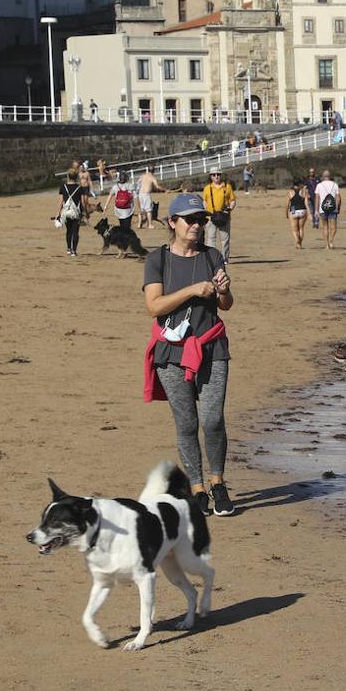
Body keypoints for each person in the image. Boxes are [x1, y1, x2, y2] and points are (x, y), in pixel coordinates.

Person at [143, 193, 236, 517]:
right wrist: (192, 290)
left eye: (201, 220)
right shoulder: (158, 260)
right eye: (190, 219)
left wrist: (223, 290)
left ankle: (218, 483)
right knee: (186, 423)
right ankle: (197, 489)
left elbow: (226, 305)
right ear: (172, 223)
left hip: (212, 348)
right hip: (171, 353)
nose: (196, 225)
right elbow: (154, 306)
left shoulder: (212, 256)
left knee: (212, 420)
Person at [202, 171, 236, 262]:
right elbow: (204, 201)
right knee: (211, 239)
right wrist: (205, 210)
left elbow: (232, 200)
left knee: (225, 239)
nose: (216, 176)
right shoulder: (207, 188)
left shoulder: (227, 187)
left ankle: (225, 258)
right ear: (211, 176)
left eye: (218, 174)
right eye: (214, 175)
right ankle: (211, 258)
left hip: (224, 217)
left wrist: (230, 208)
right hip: (210, 217)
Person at [57, 168, 91, 256]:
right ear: (76, 177)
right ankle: (74, 251)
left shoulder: (63, 187)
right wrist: (85, 212)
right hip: (76, 212)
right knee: (75, 232)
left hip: (66, 212)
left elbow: (60, 202)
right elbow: (83, 202)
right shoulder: (80, 188)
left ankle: (68, 248)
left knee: (69, 231)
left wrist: (58, 213)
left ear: (68, 176)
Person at [314, 170, 341, 250]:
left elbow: (317, 198)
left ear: (323, 176)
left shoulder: (319, 185)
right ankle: (331, 241)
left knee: (325, 227)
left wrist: (316, 210)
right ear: (330, 176)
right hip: (332, 208)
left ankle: (326, 245)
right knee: (334, 227)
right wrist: (337, 207)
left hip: (323, 209)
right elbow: (338, 197)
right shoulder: (335, 184)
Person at [287, 182, 309, 248]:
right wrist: (309, 212)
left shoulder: (290, 192)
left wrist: (286, 213)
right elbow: (306, 203)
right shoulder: (303, 191)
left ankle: (297, 241)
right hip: (302, 209)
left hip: (293, 210)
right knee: (301, 228)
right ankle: (299, 244)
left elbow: (287, 204)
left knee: (295, 229)